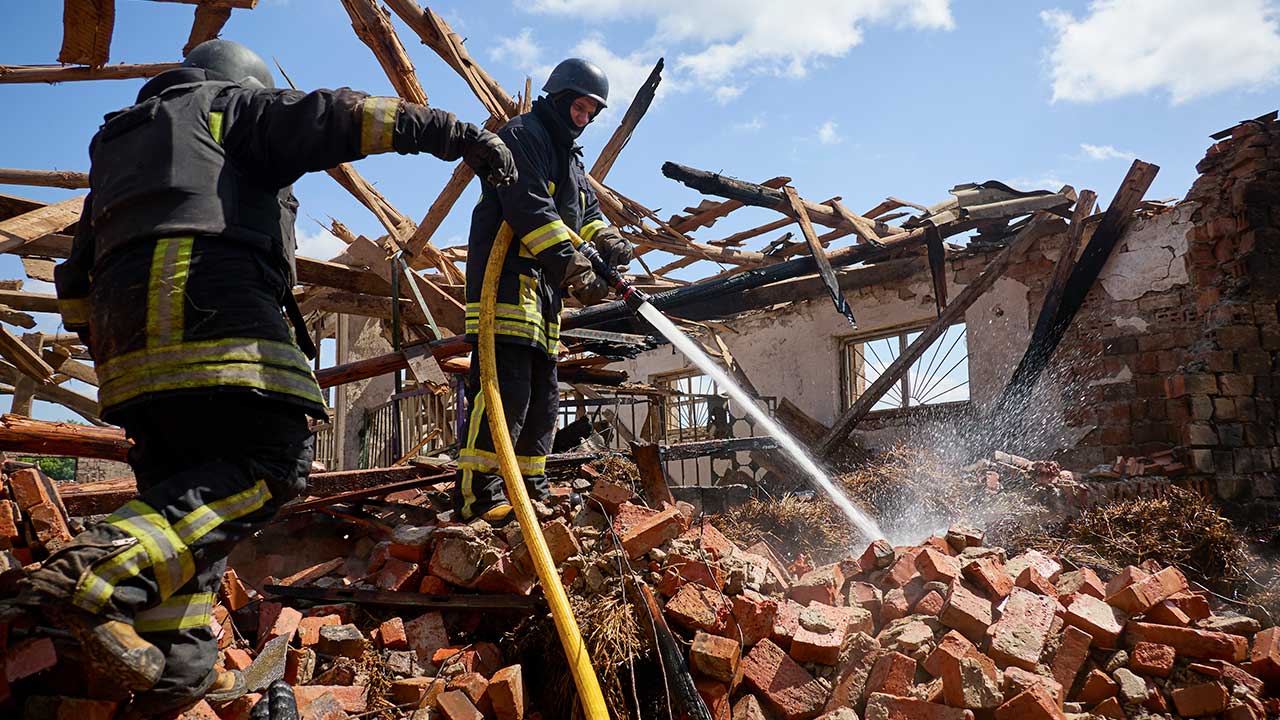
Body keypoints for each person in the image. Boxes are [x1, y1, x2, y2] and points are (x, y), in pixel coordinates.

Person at [19, 39, 516, 717]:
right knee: (270, 465)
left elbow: (75, 280)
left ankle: (178, 667)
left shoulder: (124, 154)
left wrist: (119, 346)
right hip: (211, 314)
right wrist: (456, 133)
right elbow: (334, 117)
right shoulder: (223, 107)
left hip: (128, 355)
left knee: (191, 506)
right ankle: (95, 572)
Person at [452, 58, 633, 524]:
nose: (586, 116)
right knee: (503, 390)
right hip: (506, 287)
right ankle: (480, 493)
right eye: (580, 105)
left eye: (593, 111)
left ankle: (529, 486)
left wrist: (608, 241)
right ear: (559, 95)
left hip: (544, 296)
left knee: (542, 396)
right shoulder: (522, 136)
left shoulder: (571, 158)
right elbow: (530, 209)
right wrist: (576, 268)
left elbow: (584, 215)